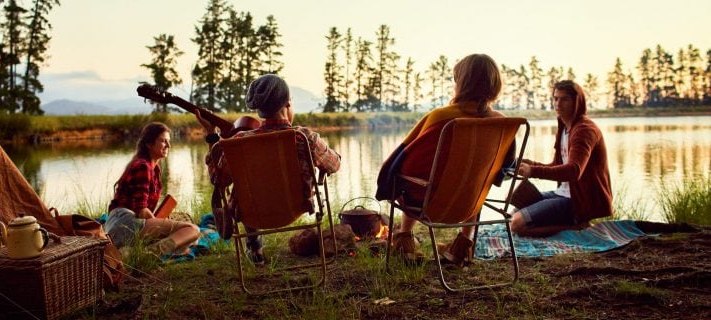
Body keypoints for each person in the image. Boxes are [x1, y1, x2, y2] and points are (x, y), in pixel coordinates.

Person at [375, 53, 512, 267]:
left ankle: (405, 242)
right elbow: (504, 167)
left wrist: (388, 180)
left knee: (404, 180)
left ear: (462, 84)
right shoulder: (503, 124)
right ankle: (462, 247)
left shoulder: (442, 118)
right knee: (477, 180)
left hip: (432, 203)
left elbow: (406, 160)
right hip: (470, 202)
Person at [194, 74, 341, 265]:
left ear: (260, 110)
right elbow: (334, 165)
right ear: (288, 103)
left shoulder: (239, 143)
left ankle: (255, 249)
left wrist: (212, 136)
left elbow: (218, 179)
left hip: (252, 211)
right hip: (294, 207)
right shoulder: (304, 138)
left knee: (248, 187)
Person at [510, 80, 613, 236]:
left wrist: (532, 171)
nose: (558, 104)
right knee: (514, 211)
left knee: (517, 225)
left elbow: (573, 171)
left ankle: (578, 227)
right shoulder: (564, 128)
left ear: (577, 102)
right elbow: (557, 165)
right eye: (556, 98)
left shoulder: (585, 130)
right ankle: (565, 221)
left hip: (579, 201)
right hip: (562, 193)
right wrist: (531, 164)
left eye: (564, 99)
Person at [105, 122, 201, 257]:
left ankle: (132, 251)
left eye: (169, 141)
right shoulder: (143, 166)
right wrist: (162, 223)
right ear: (149, 143)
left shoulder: (154, 169)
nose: (169, 145)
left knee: (184, 238)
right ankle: (150, 254)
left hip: (125, 225)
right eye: (163, 141)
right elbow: (142, 211)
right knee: (192, 230)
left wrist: (160, 223)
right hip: (124, 223)